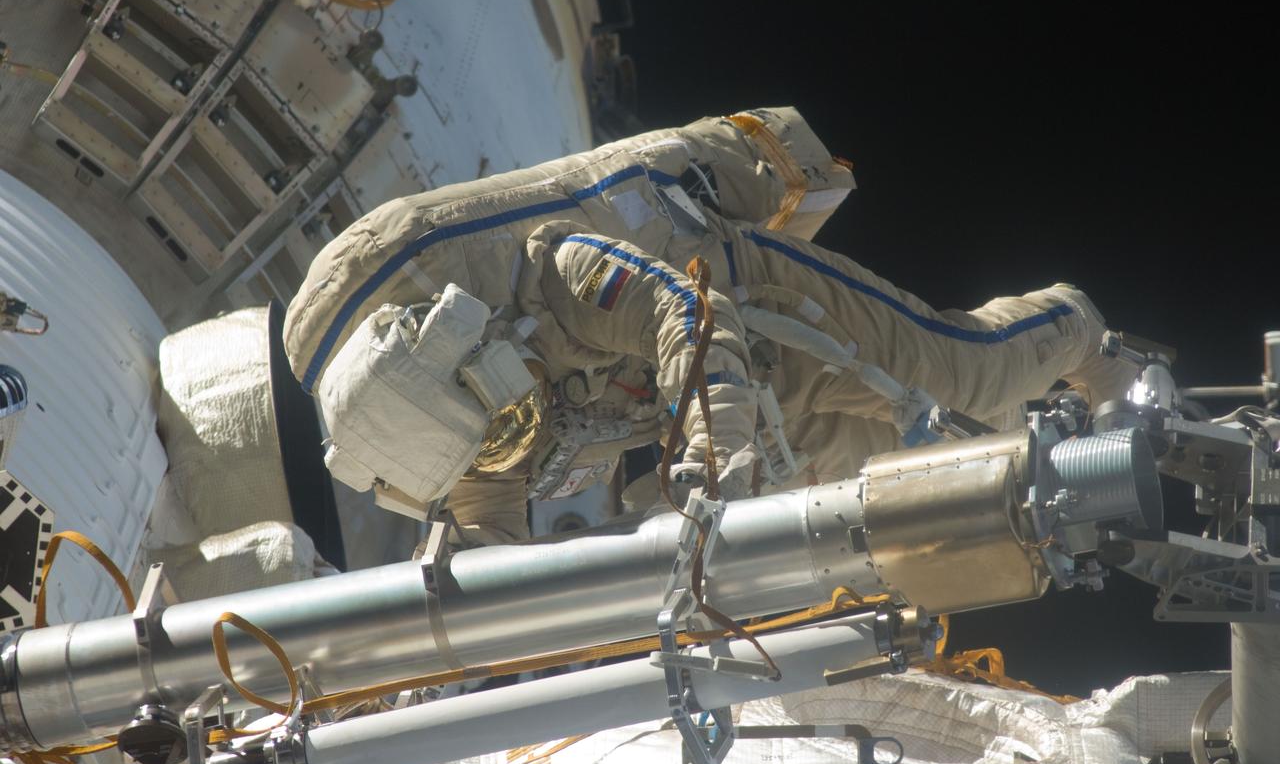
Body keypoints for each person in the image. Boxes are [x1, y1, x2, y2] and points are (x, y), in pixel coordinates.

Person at [284, 108, 1136, 545]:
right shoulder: (457, 432)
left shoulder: (556, 275)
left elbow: (684, 309)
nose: (508, 433)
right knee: (892, 474)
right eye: (491, 437)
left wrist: (713, 443)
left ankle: (1082, 335)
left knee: (960, 376)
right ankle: (1047, 454)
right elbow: (489, 523)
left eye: (498, 418)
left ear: (471, 350)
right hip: (693, 401)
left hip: (745, 299)